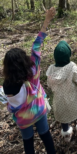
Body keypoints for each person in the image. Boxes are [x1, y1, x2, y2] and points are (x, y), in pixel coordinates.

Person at [3, 8, 56, 154]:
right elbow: (37, 45)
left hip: (23, 119)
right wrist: (47, 20)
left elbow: (9, 105)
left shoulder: (7, 84)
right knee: (46, 136)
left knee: (28, 143)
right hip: (39, 110)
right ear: (24, 60)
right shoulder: (33, 70)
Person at [46, 41, 77, 143]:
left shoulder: (51, 70)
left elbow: (49, 85)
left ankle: (66, 135)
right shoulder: (71, 67)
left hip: (59, 101)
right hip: (74, 100)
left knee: (64, 119)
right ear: (68, 55)